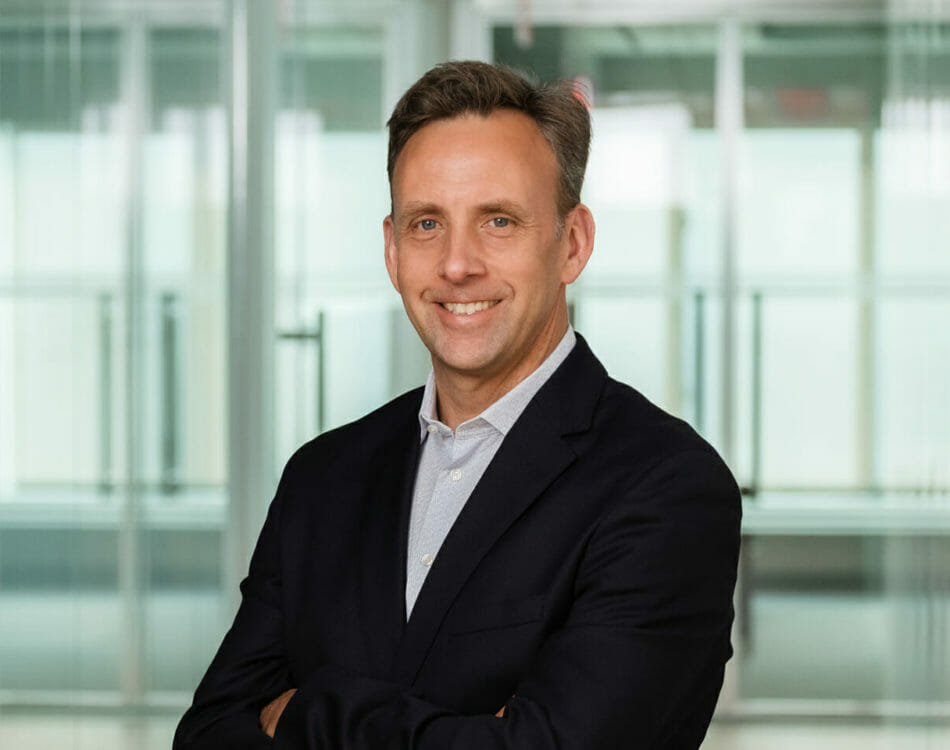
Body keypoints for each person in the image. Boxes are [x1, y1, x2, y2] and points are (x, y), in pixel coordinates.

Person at [174, 60, 741, 750]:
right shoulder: (322, 477)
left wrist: (310, 712)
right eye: (426, 224)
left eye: (498, 220)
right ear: (392, 250)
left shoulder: (666, 486)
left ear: (572, 244)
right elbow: (209, 734)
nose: (456, 264)